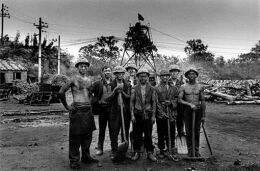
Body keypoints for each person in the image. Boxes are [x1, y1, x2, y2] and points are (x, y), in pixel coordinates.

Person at [59, 57, 98, 169]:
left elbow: (91, 95)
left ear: (87, 67)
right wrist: (67, 106)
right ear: (77, 67)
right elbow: (61, 92)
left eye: (85, 66)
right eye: (81, 65)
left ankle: (86, 157)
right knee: (75, 137)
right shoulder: (73, 79)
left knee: (87, 136)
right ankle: (74, 160)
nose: (83, 67)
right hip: (77, 111)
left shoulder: (90, 80)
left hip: (88, 112)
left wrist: (90, 104)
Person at [130, 68, 157, 162]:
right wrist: (132, 115)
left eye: (145, 76)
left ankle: (149, 152)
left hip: (148, 114)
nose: (143, 78)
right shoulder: (134, 89)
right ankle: (136, 151)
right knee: (137, 134)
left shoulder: (152, 89)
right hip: (137, 114)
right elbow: (132, 103)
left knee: (148, 134)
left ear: (148, 77)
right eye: (141, 76)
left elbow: (154, 103)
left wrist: (153, 116)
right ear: (137, 77)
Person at [178, 68, 206, 157]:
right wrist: (189, 104)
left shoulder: (200, 87)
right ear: (187, 76)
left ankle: (196, 150)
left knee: (197, 131)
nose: (191, 76)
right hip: (187, 112)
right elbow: (179, 100)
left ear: (196, 75)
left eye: (193, 74)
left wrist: (203, 115)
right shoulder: (183, 87)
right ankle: (190, 150)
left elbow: (203, 101)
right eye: (190, 74)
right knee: (189, 132)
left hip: (198, 111)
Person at [104, 66, 130, 161]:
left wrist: (122, 92)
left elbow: (128, 97)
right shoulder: (111, 85)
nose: (121, 75)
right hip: (114, 112)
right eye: (119, 73)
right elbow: (107, 98)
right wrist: (115, 91)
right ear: (115, 74)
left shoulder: (126, 85)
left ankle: (124, 151)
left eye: (122, 73)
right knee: (114, 132)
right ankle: (114, 151)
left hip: (124, 112)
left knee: (125, 132)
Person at [155, 69, 178, 159]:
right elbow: (156, 102)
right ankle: (161, 150)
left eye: (166, 76)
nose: (165, 77)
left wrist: (171, 103)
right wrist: (161, 112)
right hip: (161, 114)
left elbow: (177, 99)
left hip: (171, 113)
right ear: (160, 77)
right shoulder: (156, 88)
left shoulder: (174, 88)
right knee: (161, 132)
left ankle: (171, 148)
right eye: (163, 76)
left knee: (172, 132)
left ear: (169, 77)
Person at [91, 66, 112, 156]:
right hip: (102, 109)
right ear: (102, 72)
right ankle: (100, 148)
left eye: (109, 70)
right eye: (105, 70)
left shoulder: (114, 83)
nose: (107, 72)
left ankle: (113, 148)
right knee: (102, 130)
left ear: (111, 72)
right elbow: (89, 92)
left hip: (112, 110)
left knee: (113, 130)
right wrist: (97, 101)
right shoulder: (97, 83)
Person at [168, 64, 185, 137]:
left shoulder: (182, 83)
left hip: (180, 103)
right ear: (170, 73)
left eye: (176, 71)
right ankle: (172, 133)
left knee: (180, 118)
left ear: (178, 73)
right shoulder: (167, 82)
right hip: (170, 103)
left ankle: (180, 132)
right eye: (172, 72)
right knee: (171, 118)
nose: (174, 73)